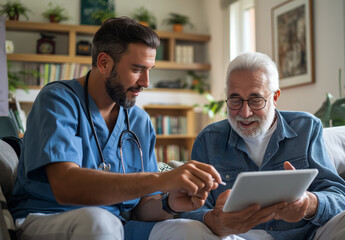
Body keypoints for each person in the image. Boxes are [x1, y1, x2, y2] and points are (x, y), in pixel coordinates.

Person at [9, 17, 223, 240]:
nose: (146, 82)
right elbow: (66, 186)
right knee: (100, 224)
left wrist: (169, 204)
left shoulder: (139, 120)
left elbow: (144, 207)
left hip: (117, 224)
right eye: (138, 69)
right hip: (48, 217)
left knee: (194, 231)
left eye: (150, 69)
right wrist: (163, 179)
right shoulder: (58, 100)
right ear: (104, 63)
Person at [177, 52, 345, 240]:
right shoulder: (208, 140)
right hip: (237, 237)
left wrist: (308, 204)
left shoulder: (306, 127)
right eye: (235, 100)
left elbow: (337, 195)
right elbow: (189, 209)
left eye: (255, 100)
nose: (244, 112)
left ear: (275, 97)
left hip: (307, 234)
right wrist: (215, 219)